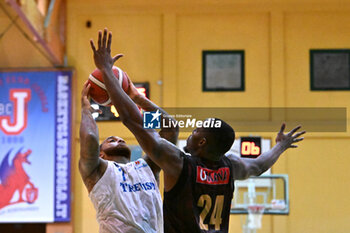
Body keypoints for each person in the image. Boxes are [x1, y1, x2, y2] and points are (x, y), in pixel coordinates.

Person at [90, 28, 306, 233]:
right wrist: (281, 145)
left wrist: (108, 73)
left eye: (195, 132)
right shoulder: (231, 166)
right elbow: (258, 165)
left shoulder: (179, 164)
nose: (191, 134)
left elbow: (133, 121)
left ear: (202, 143)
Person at [79, 72, 178, 232]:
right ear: (100, 154)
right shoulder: (97, 171)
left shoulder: (148, 166)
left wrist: (137, 99)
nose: (118, 139)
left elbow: (170, 128)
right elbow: (90, 137)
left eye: (121, 139)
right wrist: (86, 109)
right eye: (110, 139)